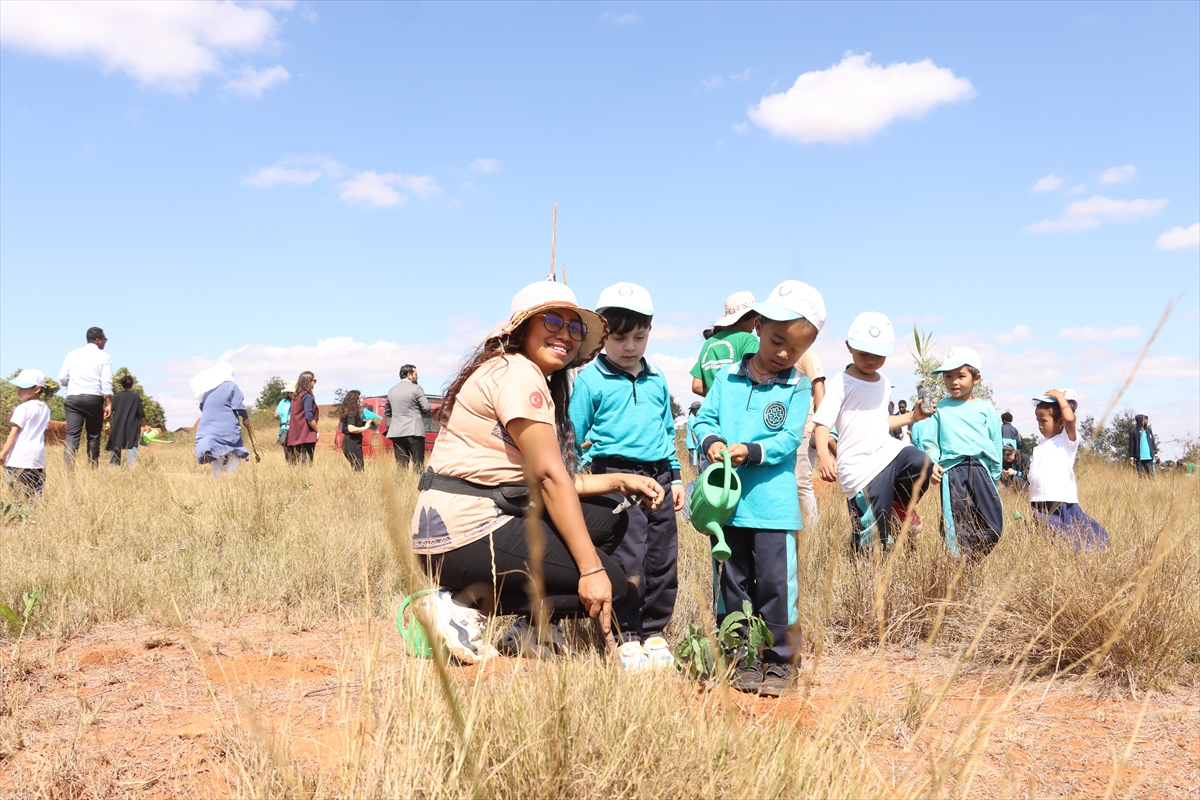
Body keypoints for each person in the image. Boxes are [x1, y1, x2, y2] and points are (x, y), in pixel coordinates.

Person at [410, 279, 666, 662]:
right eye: (551, 321)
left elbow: (538, 477)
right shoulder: (518, 373)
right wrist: (591, 570)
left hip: (449, 530)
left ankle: (533, 629)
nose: (565, 334)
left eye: (574, 327)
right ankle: (462, 605)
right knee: (610, 581)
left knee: (607, 521)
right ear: (522, 328)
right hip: (465, 533)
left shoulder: (508, 371)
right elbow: (549, 478)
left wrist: (617, 480)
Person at [693, 280, 824, 697]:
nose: (785, 353)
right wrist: (711, 441)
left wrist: (751, 450)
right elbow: (703, 419)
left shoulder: (798, 387)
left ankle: (781, 661)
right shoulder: (728, 379)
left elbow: (787, 439)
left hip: (774, 508)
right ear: (759, 327)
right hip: (727, 508)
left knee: (775, 586)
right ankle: (740, 656)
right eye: (777, 340)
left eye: (796, 349)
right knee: (731, 582)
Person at [568, 282, 684, 649]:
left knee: (663, 558)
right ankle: (626, 634)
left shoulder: (657, 378)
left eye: (639, 336)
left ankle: (654, 632)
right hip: (615, 479)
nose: (630, 347)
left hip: (659, 478)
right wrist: (579, 472)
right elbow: (572, 435)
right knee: (628, 557)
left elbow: (666, 431)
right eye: (619, 338)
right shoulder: (589, 381)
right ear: (602, 334)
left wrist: (676, 476)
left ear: (650, 331)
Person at [813, 312, 938, 553]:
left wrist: (913, 417)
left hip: (886, 452)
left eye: (878, 355)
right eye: (864, 354)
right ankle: (863, 575)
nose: (871, 360)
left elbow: (880, 421)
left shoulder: (883, 382)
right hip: (859, 465)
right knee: (873, 538)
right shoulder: (842, 382)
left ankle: (900, 506)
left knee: (921, 463)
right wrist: (825, 456)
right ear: (849, 347)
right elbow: (822, 423)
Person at [919, 347, 1003, 557]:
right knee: (957, 525)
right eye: (948, 376)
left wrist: (995, 474)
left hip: (982, 470)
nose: (954, 382)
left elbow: (995, 442)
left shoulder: (987, 410)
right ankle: (961, 569)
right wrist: (932, 464)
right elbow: (930, 441)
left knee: (994, 525)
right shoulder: (940, 409)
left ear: (976, 378)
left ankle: (972, 558)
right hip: (953, 471)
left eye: (960, 376)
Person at [1029, 389, 1108, 551]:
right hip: (1039, 499)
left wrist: (1059, 397)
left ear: (1060, 423)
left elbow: (1070, 419)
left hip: (1060, 497)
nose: (1040, 426)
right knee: (1048, 535)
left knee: (1072, 529)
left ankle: (1097, 544)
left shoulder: (1066, 440)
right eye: (1038, 421)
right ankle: (1059, 556)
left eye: (1044, 421)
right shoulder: (1040, 445)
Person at [57, 326, 113, 468]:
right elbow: (105, 381)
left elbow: (62, 377)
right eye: (104, 339)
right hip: (93, 398)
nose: (105, 342)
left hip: (73, 397)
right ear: (98, 340)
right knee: (93, 435)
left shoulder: (72, 354)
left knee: (72, 434)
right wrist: (109, 403)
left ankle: (68, 469)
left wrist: (72, 384)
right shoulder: (105, 357)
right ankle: (92, 468)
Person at [689, 291, 760, 397]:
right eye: (756, 318)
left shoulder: (709, 343)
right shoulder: (748, 340)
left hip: (713, 411)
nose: (755, 324)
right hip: (738, 410)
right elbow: (755, 377)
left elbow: (697, 386)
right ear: (746, 316)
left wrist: (717, 397)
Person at [190, 362, 253, 478]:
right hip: (227, 426)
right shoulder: (231, 386)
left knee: (216, 452)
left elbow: (201, 407)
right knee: (234, 451)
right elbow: (238, 405)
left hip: (207, 427)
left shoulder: (206, 389)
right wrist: (246, 418)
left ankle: (216, 480)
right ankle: (230, 477)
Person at [1, 369, 51, 500]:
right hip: (37, 460)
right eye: (18, 386)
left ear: (37, 389)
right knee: (33, 497)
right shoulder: (45, 408)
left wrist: (3, 453)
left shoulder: (23, 408)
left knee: (16, 498)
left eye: (23, 387)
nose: (19, 390)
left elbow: (14, 432)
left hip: (19, 459)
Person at [794, 350, 826, 531]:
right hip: (785, 432)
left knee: (801, 482)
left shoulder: (807, 355)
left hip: (805, 429)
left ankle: (813, 532)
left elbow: (819, 387)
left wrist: (820, 423)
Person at [386, 364, 433, 470]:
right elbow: (426, 407)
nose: (417, 377)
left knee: (401, 466)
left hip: (396, 431)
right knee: (418, 464)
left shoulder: (391, 390)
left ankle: (400, 485)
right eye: (416, 374)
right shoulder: (416, 388)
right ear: (409, 375)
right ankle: (416, 485)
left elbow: (388, 412)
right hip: (414, 430)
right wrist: (419, 413)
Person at [105, 375, 145, 467]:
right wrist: (145, 425)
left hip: (118, 426)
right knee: (132, 446)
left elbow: (110, 411)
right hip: (132, 426)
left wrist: (107, 424)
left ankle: (113, 467)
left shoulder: (117, 397)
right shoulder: (135, 397)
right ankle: (131, 467)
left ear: (122, 385)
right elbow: (141, 413)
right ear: (132, 385)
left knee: (116, 445)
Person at [339, 390, 379, 471]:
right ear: (354, 400)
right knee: (359, 469)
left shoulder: (350, 412)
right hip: (352, 443)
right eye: (359, 398)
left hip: (351, 442)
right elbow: (351, 428)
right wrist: (366, 427)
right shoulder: (352, 412)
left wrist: (371, 422)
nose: (362, 400)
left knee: (357, 468)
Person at [287, 371, 320, 465]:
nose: (314, 383)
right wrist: (317, 430)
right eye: (313, 380)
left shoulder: (296, 397)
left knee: (295, 465)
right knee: (306, 464)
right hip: (306, 435)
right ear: (308, 381)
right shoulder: (307, 396)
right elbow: (309, 416)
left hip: (295, 435)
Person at [274, 382, 295, 462]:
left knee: (295, 451)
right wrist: (276, 416)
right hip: (284, 429)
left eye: (291, 392)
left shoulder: (298, 402)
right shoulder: (283, 401)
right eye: (289, 392)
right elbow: (278, 414)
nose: (290, 394)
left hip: (295, 430)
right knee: (287, 453)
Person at [685, 402, 701, 468]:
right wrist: (698, 443)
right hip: (693, 445)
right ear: (695, 409)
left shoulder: (691, 417)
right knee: (694, 465)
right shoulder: (692, 419)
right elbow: (693, 432)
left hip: (691, 445)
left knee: (694, 463)